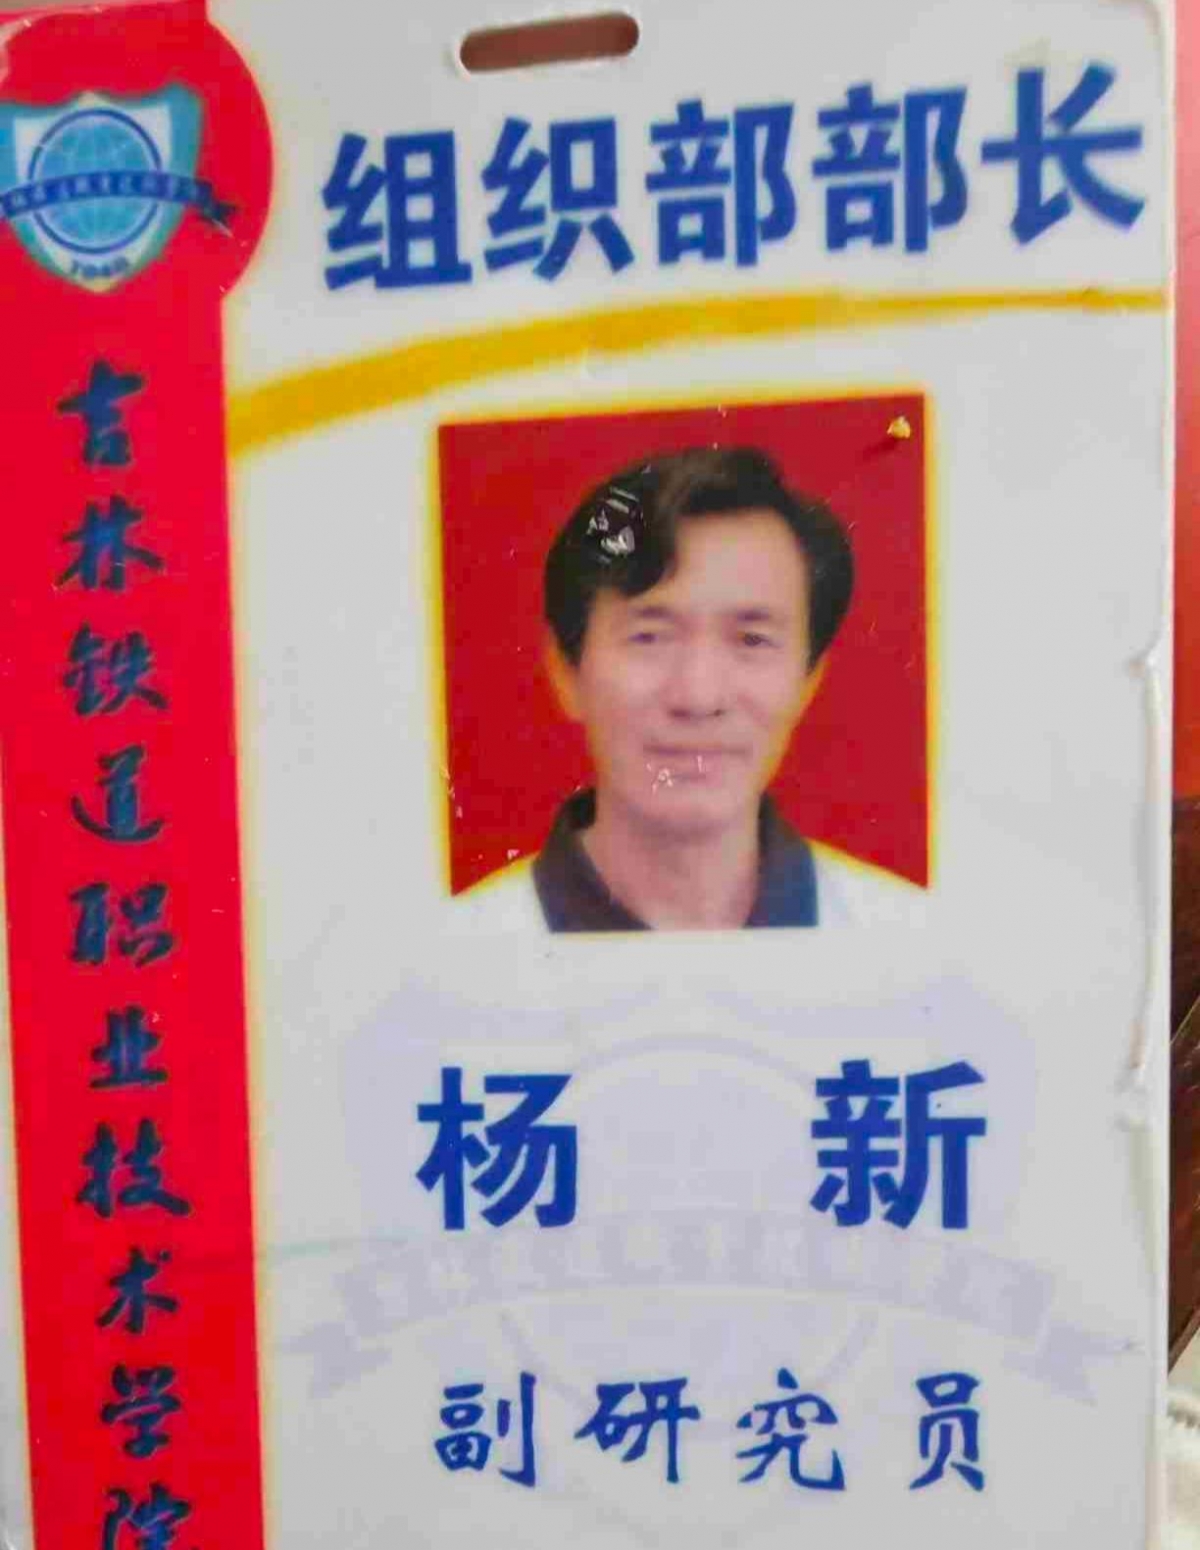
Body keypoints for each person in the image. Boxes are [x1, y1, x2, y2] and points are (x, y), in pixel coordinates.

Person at [471, 446, 914, 932]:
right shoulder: (462, 946)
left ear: (809, 680)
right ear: (564, 671)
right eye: (650, 637)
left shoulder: (905, 935)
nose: (699, 697)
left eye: (752, 639)